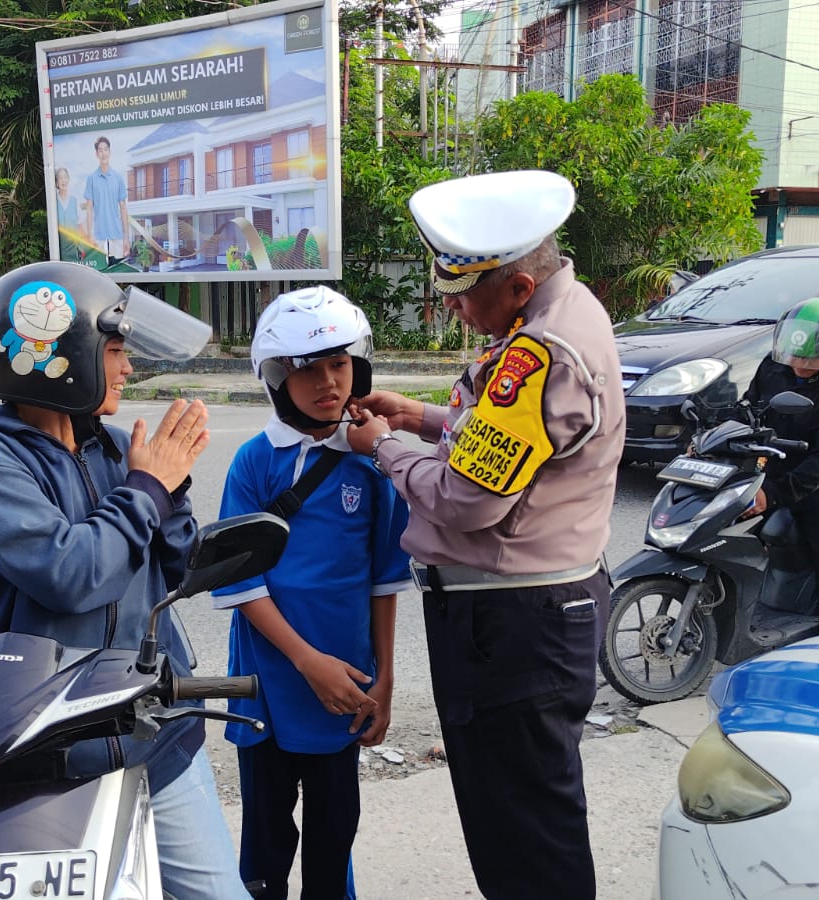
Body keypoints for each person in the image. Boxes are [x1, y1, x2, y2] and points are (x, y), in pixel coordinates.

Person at [346, 170, 626, 900]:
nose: (457, 311)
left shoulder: (540, 354)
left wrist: (382, 446)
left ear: (519, 288)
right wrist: (421, 418)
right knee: (528, 816)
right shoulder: (564, 315)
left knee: (523, 833)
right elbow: (514, 450)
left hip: (513, 625)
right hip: (529, 611)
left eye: (463, 298)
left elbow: (467, 500)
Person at [0, 260, 249, 898]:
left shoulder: (113, 446)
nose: (127, 368)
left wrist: (170, 490)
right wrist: (147, 489)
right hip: (38, 751)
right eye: (113, 350)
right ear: (60, 356)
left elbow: (174, 567)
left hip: (150, 734)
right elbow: (72, 573)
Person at [213, 286, 411, 900]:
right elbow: (239, 580)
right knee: (266, 846)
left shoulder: (371, 462)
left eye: (340, 364)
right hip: (270, 685)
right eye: (307, 369)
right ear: (276, 379)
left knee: (333, 838)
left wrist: (384, 678)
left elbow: (385, 578)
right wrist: (306, 661)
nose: (329, 382)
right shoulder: (254, 462)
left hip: (344, 688)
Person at [740, 297, 819, 631]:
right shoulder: (772, 368)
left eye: (812, 358)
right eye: (795, 354)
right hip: (772, 470)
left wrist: (773, 494)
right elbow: (749, 409)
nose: (800, 364)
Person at [82, 136, 130, 259]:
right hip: (98, 236)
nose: (103, 153)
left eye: (106, 149)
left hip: (117, 234)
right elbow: (89, 210)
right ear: (96, 154)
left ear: (110, 151)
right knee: (98, 275)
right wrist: (90, 236)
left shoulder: (118, 178)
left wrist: (126, 237)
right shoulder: (91, 179)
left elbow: (123, 209)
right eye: (100, 150)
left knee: (120, 275)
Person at [54, 166, 80, 232]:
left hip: (75, 241)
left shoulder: (74, 201)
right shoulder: (54, 202)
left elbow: (80, 225)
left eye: (65, 177)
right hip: (59, 242)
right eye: (60, 178)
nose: (63, 180)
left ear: (68, 180)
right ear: (56, 183)